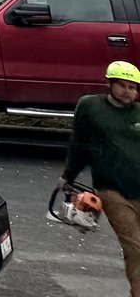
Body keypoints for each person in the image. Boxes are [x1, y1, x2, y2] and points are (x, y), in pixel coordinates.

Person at [64, 59, 140, 291]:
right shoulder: (91, 107)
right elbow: (79, 143)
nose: (129, 92)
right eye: (123, 85)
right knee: (135, 247)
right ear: (110, 83)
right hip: (112, 189)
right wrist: (68, 175)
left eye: (133, 87)